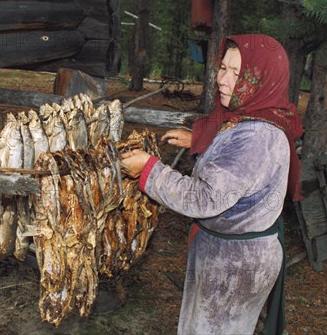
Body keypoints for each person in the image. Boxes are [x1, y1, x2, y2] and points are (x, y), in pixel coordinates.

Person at [120, 34, 303, 335]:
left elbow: (204, 198)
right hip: (229, 256)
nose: (223, 79)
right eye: (223, 68)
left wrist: (149, 170)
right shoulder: (255, 114)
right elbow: (236, 161)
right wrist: (201, 139)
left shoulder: (257, 137)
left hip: (234, 269)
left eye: (237, 73)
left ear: (261, 79)